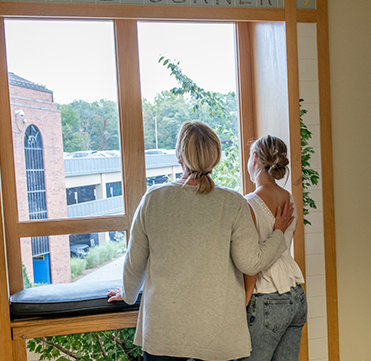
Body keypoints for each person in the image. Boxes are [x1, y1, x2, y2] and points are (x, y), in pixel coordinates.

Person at [107, 121, 294, 361]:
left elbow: (134, 264)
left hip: (164, 336)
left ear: (179, 156)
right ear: (215, 158)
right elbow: (250, 263)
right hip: (217, 338)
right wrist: (278, 232)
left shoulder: (153, 199)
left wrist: (127, 295)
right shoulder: (233, 202)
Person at [241, 135, 307, 361]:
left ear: (255, 158)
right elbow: (284, 245)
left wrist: (244, 301)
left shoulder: (248, 203)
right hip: (295, 293)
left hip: (266, 296)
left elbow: (251, 262)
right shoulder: (289, 199)